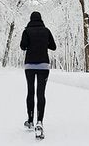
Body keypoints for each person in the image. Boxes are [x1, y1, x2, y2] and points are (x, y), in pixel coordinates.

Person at [20, 11, 56, 139]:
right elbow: (53, 47)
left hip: (29, 65)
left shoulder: (26, 31)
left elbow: (22, 46)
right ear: (41, 19)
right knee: (41, 94)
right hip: (43, 66)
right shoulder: (46, 31)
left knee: (30, 92)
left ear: (30, 19)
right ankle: (39, 122)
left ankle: (30, 121)